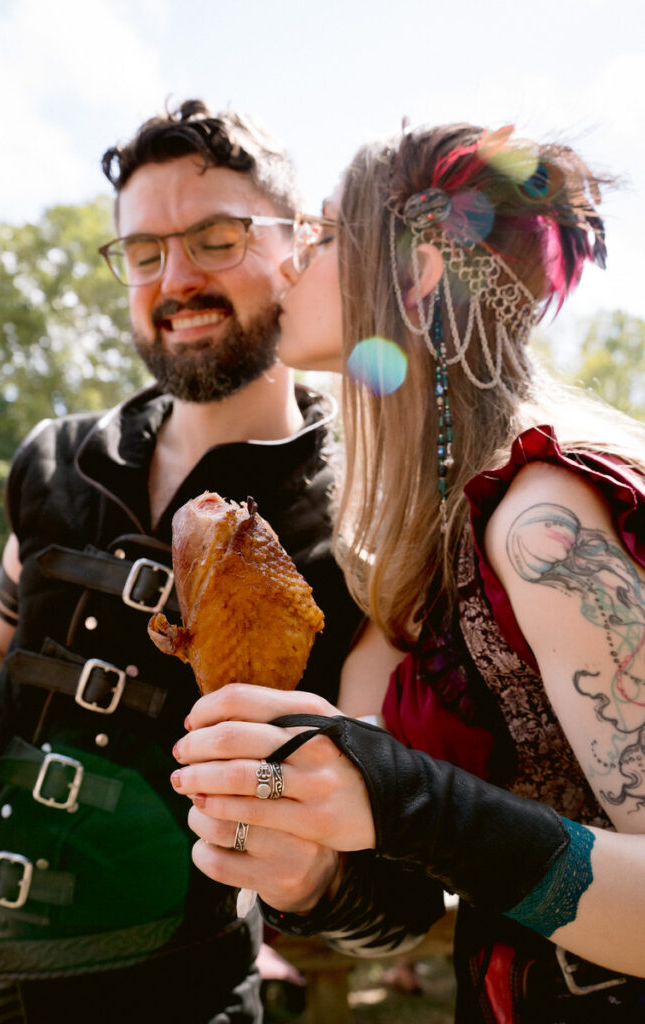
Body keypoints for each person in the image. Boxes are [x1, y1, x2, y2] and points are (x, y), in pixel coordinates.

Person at [170, 123, 645, 1021]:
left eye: (315, 238)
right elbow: (394, 879)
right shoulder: (410, 557)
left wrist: (399, 798)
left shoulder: (542, 523)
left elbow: (411, 803)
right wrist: (302, 858)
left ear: (418, 271)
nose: (282, 266)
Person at [0, 99, 369, 1023]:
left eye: (216, 239)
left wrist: (313, 872)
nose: (174, 277)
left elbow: (383, 826)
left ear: (299, 243)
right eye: (143, 253)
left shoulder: (366, 508)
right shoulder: (55, 456)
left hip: (184, 992)